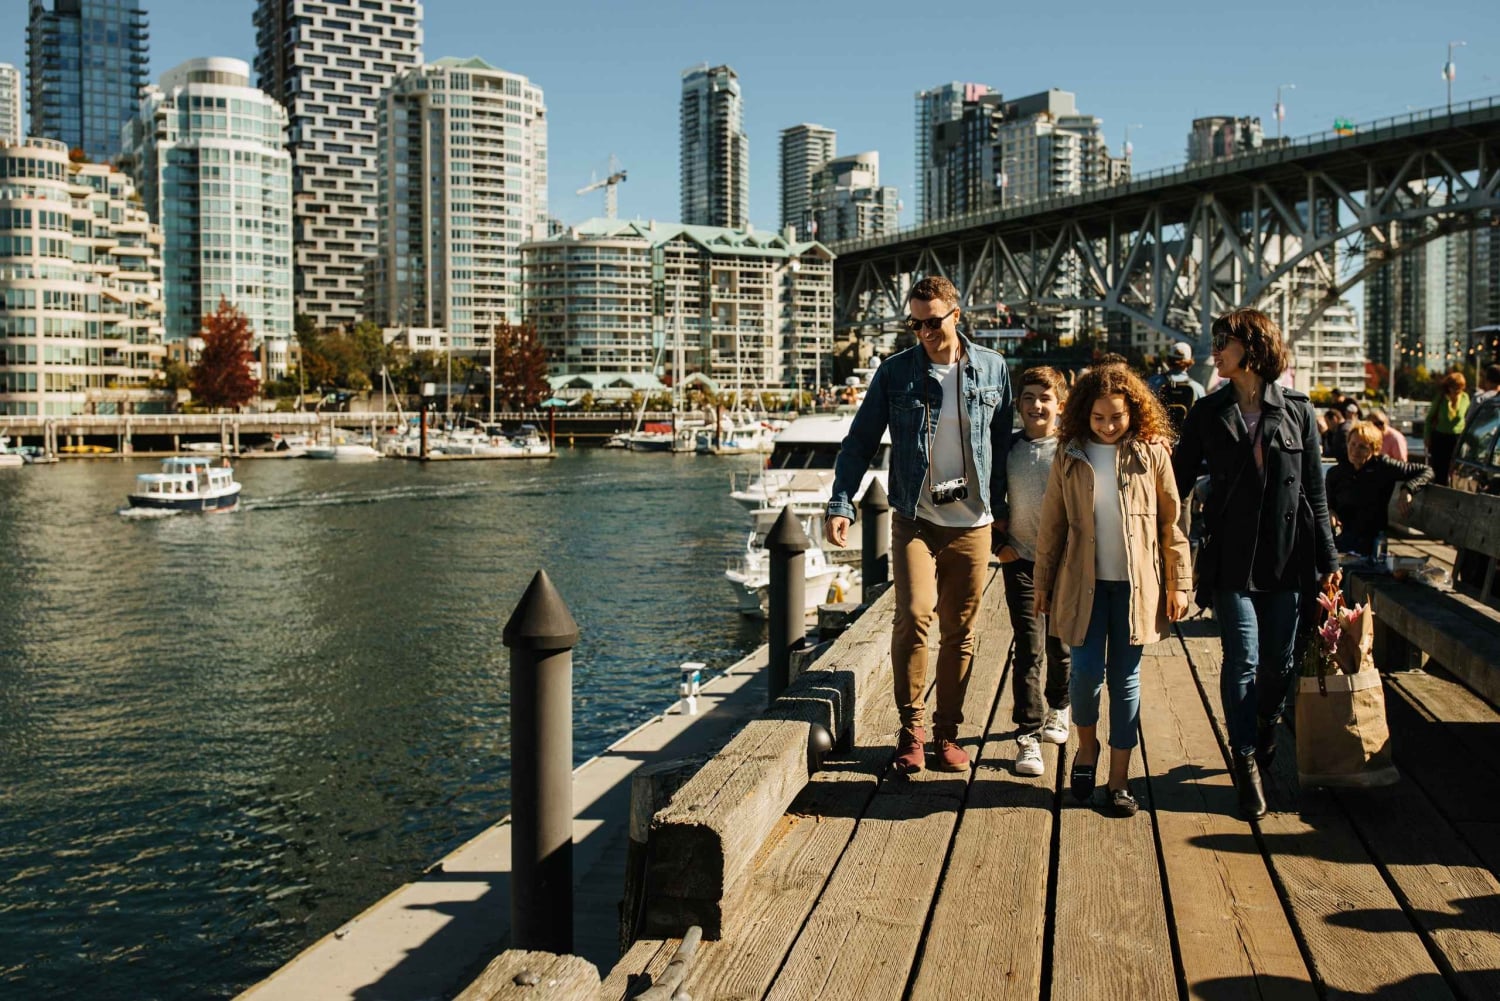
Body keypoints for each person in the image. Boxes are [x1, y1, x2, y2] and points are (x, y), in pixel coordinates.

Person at [825, 275, 1014, 774]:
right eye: (916, 324)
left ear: (957, 314)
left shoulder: (993, 369)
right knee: (913, 616)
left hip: (973, 521)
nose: (925, 332)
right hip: (916, 517)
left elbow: (1004, 445)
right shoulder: (895, 373)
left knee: (961, 631)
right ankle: (911, 730)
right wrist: (841, 502)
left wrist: (1011, 513)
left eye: (933, 321)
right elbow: (859, 441)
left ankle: (947, 735)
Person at [1172, 308, 1340, 821]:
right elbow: (1175, 482)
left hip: (1288, 559)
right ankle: (1244, 760)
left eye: (1222, 341)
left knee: (1279, 665)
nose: (1213, 351)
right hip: (1231, 559)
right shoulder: (1207, 411)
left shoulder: (1297, 411)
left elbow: (1314, 490)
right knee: (1241, 659)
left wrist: (1329, 559)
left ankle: (1267, 726)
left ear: (1252, 347)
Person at [1033, 364, 1192, 817]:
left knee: (1125, 683)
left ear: (1134, 412)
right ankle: (1087, 749)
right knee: (1084, 675)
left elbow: (1172, 523)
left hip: (1136, 588)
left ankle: (1119, 781)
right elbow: (1052, 526)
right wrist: (1042, 584)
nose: (1106, 426)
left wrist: (1179, 584)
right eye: (1098, 418)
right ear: (1084, 413)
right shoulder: (1069, 454)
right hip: (1083, 586)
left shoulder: (1152, 454)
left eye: (1117, 418)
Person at [994, 366, 1072, 778]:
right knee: (1029, 646)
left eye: (1045, 398)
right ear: (1018, 405)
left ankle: (1059, 707)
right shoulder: (1007, 448)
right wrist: (999, 546)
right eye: (1028, 398)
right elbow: (990, 499)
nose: (1036, 405)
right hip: (1021, 561)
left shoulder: (1073, 448)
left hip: (1065, 564)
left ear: (1060, 405)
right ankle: (1028, 734)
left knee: (1061, 645)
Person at [1326, 421, 1432, 555]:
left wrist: (1408, 489)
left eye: (1362, 447)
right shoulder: (1337, 472)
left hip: (1371, 538)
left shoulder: (1383, 466)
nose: (1355, 451)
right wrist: (1330, 510)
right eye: (1352, 444)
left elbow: (1426, 470)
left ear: (1374, 449)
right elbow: (1326, 501)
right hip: (1342, 535)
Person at [1147, 342, 1207, 436]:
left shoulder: (1152, 382)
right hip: (1187, 441)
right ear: (1189, 362)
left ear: (1168, 360)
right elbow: (1203, 421)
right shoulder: (1198, 388)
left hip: (1159, 439)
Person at [1424, 371, 1469, 486]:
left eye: (1459, 387)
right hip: (1440, 437)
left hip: (1457, 438)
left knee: (1455, 469)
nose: (1457, 390)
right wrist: (1427, 437)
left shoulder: (1465, 398)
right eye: (1454, 387)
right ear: (1448, 387)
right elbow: (1429, 419)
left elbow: (1467, 417)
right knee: (1440, 470)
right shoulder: (1441, 399)